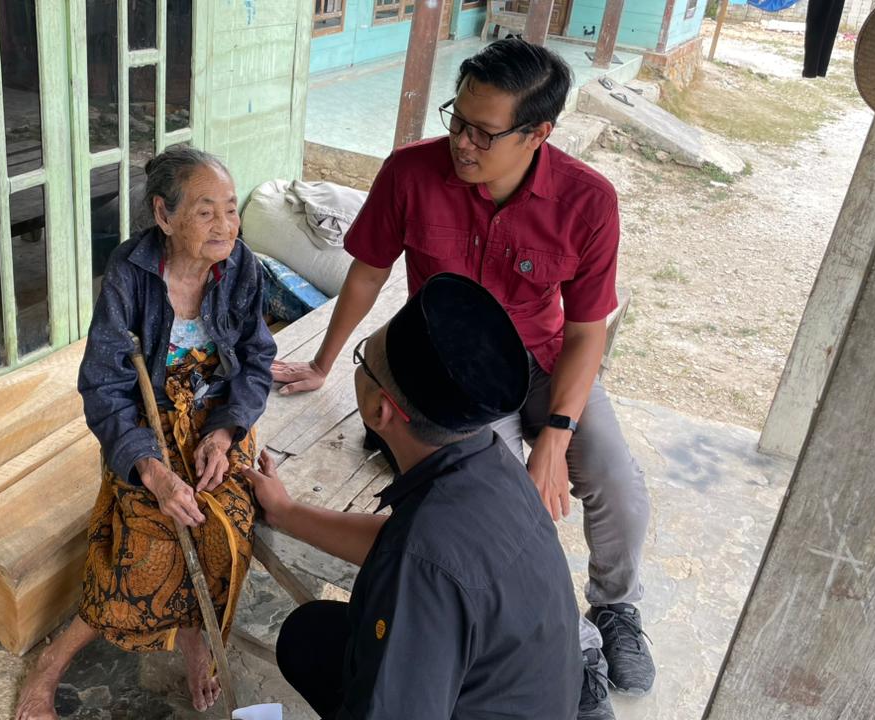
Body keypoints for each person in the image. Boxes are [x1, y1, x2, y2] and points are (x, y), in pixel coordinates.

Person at [271, 38, 653, 719]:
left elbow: (588, 328)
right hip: (456, 381)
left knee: (617, 482)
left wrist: (559, 435)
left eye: (484, 132)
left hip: (545, 362)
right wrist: (328, 362)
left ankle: (615, 608)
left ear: (539, 133)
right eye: (457, 120)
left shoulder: (588, 200)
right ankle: (576, 649)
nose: (463, 144)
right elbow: (365, 271)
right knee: (501, 512)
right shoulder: (411, 173)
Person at [15, 147, 276, 719]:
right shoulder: (130, 278)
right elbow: (104, 389)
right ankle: (51, 663)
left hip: (215, 420)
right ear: (163, 215)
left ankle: (192, 635)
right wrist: (152, 469)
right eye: (206, 212)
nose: (225, 226)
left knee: (229, 523)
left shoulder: (243, 268)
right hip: (146, 428)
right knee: (148, 541)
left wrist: (229, 431)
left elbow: (257, 362)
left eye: (231, 210)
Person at [247, 273, 581, 718]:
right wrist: (286, 512)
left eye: (362, 360)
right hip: (527, 691)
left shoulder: (422, 567)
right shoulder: (491, 461)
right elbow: (400, 543)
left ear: (379, 409)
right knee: (310, 637)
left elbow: (420, 560)